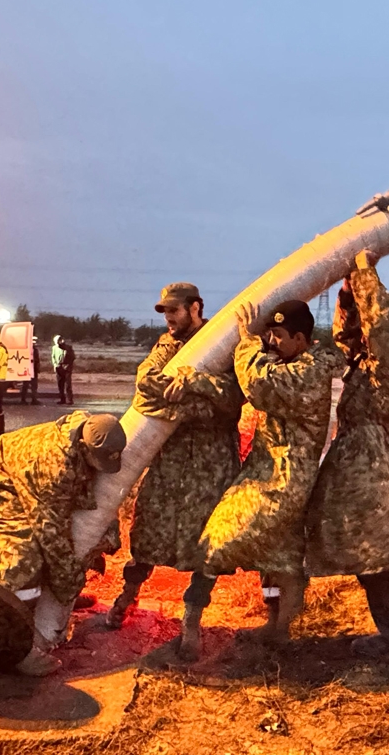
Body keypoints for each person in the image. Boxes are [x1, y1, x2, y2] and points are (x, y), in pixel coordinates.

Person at [306, 250, 389, 657]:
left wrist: (366, 273)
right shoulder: (371, 359)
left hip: (379, 466)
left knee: (375, 553)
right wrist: (348, 293)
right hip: (370, 462)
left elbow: (380, 325)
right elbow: (349, 337)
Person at [105, 283, 243, 661]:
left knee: (207, 543)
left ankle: (192, 619)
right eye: (165, 312)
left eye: (174, 311)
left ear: (195, 308)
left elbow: (234, 398)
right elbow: (146, 382)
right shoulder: (167, 344)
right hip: (171, 460)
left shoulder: (224, 342)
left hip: (211, 463)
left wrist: (195, 383)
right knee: (149, 530)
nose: (168, 318)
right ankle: (127, 597)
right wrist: (191, 401)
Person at [198, 298, 340, 646]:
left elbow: (259, 384)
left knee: (223, 536)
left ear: (300, 339)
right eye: (269, 334)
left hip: (286, 478)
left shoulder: (308, 372)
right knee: (280, 556)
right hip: (271, 470)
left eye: (278, 336)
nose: (271, 342)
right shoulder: (291, 362)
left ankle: (285, 629)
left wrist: (248, 341)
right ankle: (278, 627)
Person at [0, 411, 127, 676]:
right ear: (83, 447)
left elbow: (86, 490)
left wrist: (109, 534)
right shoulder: (52, 466)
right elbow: (49, 532)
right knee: (23, 551)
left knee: (77, 539)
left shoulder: (89, 433)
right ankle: (15, 645)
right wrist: (69, 582)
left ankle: (50, 593)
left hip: (24, 475)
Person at [52, 335, 75, 405]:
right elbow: (53, 357)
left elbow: (72, 357)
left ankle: (70, 400)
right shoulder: (54, 348)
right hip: (59, 367)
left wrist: (68, 365)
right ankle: (62, 399)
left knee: (68, 385)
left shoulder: (68, 347)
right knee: (60, 385)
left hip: (67, 368)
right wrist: (55, 365)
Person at [19, 337, 41, 405]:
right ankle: (24, 399)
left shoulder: (34, 350)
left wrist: (38, 368)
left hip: (33, 369)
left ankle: (33, 399)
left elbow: (37, 360)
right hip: (28, 369)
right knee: (26, 385)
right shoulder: (27, 350)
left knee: (32, 386)